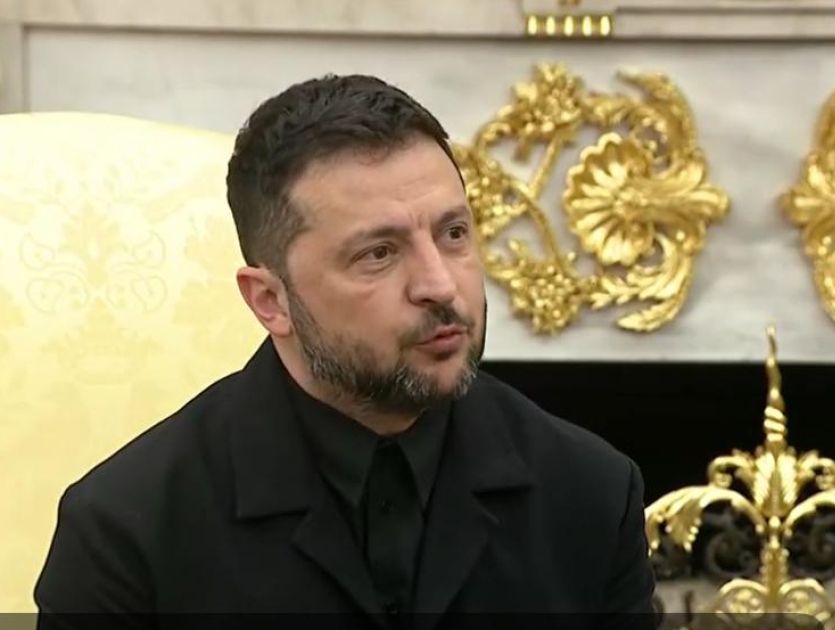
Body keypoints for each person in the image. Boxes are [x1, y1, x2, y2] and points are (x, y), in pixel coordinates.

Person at [34, 74, 656, 628]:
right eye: (378, 253)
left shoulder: (594, 494)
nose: (440, 284)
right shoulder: (126, 532)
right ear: (270, 301)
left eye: (453, 233)